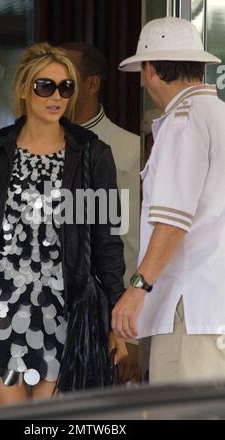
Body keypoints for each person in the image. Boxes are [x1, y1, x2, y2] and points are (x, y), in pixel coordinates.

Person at [0, 42, 127, 405]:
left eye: (66, 87)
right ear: (23, 90)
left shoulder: (92, 154)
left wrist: (115, 319)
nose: (56, 96)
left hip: (63, 310)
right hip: (1, 308)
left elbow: (106, 240)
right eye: (45, 86)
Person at [113, 16, 225, 385]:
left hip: (191, 309)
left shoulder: (183, 120)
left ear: (149, 71)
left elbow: (174, 220)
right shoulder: (219, 116)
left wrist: (138, 287)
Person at [61, 42, 140, 383]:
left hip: (103, 319)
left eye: (67, 81)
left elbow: (131, 243)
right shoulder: (29, 148)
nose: (57, 89)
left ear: (91, 85)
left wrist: (128, 331)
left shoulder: (127, 151)